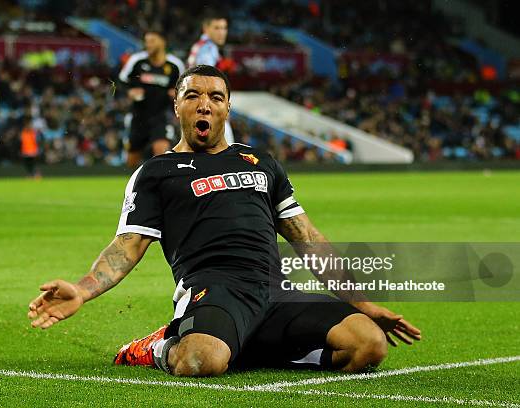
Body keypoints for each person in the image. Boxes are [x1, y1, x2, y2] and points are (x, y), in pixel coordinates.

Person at [28, 65, 420, 376]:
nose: (204, 104)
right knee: (203, 361)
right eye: (192, 95)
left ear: (227, 108)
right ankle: (158, 346)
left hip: (277, 292)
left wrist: (362, 303)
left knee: (369, 346)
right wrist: (82, 290)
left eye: (216, 97)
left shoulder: (261, 162)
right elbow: (127, 246)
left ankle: (244, 344)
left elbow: (307, 238)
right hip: (216, 290)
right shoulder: (156, 172)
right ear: (177, 106)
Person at [118, 30, 185, 169]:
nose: (148, 45)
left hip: (162, 116)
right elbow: (121, 81)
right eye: (146, 41)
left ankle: (158, 187)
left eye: (152, 41)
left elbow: (184, 88)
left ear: (163, 42)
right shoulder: (137, 61)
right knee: (131, 161)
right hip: (138, 116)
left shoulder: (174, 65)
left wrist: (177, 94)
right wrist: (130, 91)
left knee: (161, 154)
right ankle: (134, 187)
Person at [188, 13, 235, 144]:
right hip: (208, 107)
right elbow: (206, 81)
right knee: (226, 152)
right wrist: (220, 105)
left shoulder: (202, 46)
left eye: (224, 28)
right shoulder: (208, 49)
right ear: (206, 29)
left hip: (197, 106)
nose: (222, 32)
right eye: (217, 28)